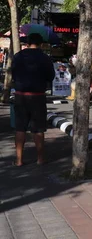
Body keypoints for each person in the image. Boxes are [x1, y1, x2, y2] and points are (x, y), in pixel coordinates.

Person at [12, 33, 55, 166]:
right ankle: (40, 159)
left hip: (20, 95)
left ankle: (19, 160)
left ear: (27, 43)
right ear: (41, 44)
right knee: (38, 129)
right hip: (38, 96)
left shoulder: (18, 56)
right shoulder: (45, 58)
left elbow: (13, 73)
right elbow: (51, 76)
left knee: (20, 128)